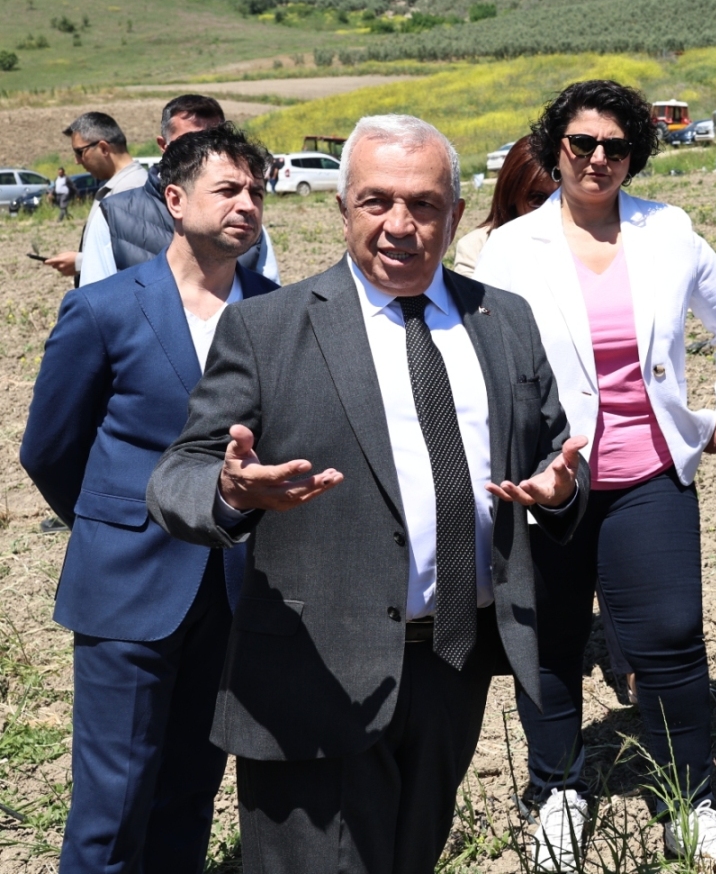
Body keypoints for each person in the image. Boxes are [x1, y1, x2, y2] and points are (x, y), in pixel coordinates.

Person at [147, 114, 588, 874]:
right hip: (315, 669)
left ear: (454, 214)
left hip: (453, 663)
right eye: (376, 201)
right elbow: (176, 474)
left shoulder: (503, 320)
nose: (399, 225)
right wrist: (231, 491)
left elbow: (553, 456)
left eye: (422, 205)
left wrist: (555, 493)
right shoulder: (268, 328)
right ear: (342, 208)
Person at [475, 80, 716, 870]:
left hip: (649, 474)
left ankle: (690, 802)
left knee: (669, 641)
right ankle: (557, 793)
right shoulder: (511, 248)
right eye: (581, 144)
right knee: (553, 642)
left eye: (615, 146)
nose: (598, 159)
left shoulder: (667, 229)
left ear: (634, 154)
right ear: (553, 149)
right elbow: (489, 368)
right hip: (551, 483)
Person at [21, 125, 279, 874]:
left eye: (256, 192)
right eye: (228, 189)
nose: (246, 205)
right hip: (126, 584)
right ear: (173, 199)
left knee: (189, 796)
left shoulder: (275, 311)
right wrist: (114, 526)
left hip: (231, 588)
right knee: (113, 802)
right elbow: (50, 448)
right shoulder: (103, 309)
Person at [83, 95, 281, 287]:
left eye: (215, 141)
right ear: (163, 146)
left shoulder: (243, 222)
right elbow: (95, 304)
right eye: (190, 143)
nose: (205, 153)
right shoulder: (114, 216)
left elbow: (271, 301)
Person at [43, 111, 145, 279]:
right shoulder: (117, 185)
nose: (77, 161)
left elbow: (138, 260)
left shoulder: (133, 189)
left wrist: (80, 262)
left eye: (79, 152)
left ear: (103, 148)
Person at [452, 136, 553, 277]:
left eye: (561, 197)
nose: (551, 207)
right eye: (537, 198)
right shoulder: (475, 247)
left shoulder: (586, 241)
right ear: (511, 196)